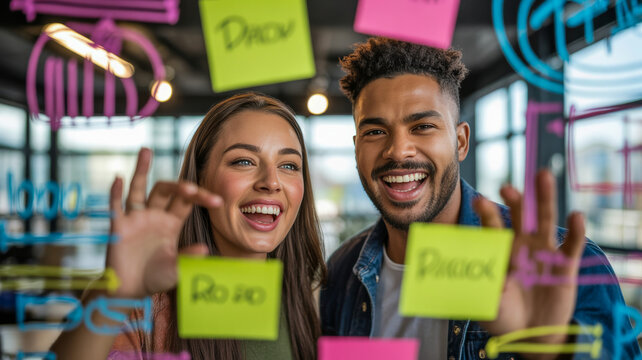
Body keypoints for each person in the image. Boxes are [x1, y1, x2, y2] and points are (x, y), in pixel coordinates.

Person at [320, 37, 641, 359]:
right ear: (356, 147)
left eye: (422, 126)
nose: (398, 150)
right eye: (375, 132)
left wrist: (553, 350)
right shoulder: (342, 271)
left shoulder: (561, 265)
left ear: (460, 141)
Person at [51, 93, 326, 360]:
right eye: (244, 161)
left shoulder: (312, 302)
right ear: (200, 178)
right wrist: (115, 293)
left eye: (289, 165)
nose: (271, 181)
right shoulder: (143, 306)